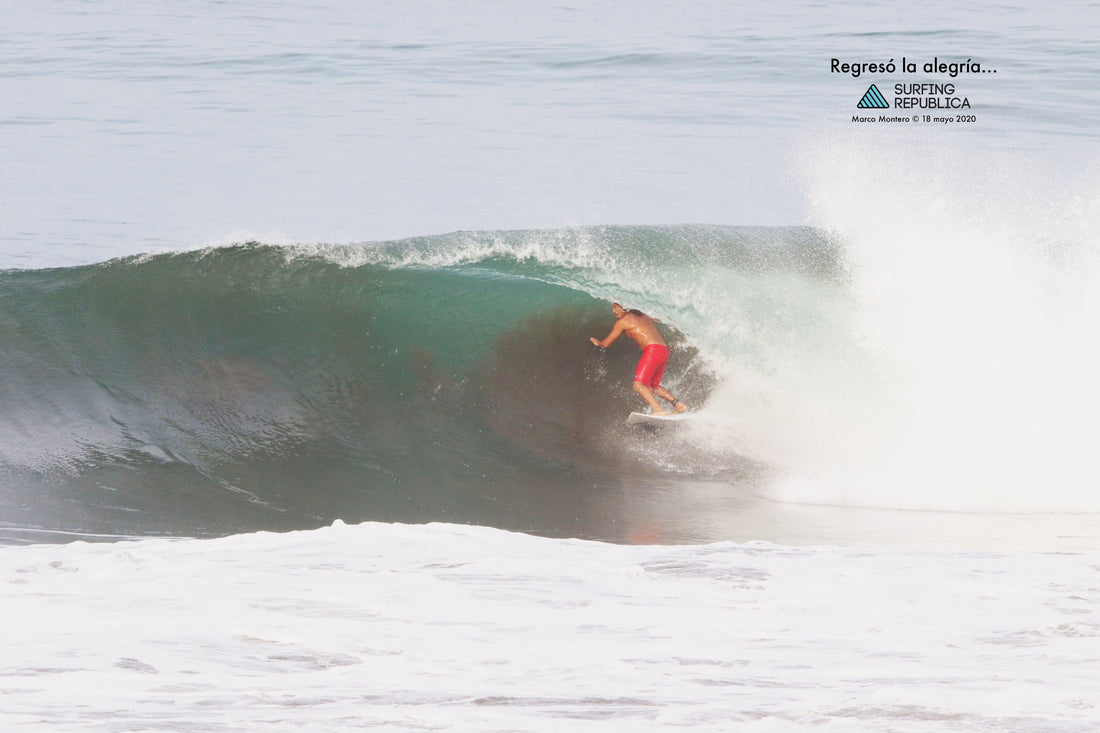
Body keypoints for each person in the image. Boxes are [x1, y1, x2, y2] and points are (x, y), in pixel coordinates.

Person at [590, 303, 688, 416]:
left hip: (653, 351)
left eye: (615, 307)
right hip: (664, 350)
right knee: (652, 387)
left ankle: (658, 410)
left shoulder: (622, 322)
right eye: (612, 308)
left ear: (624, 306)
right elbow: (658, 318)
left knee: (638, 385)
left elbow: (606, 343)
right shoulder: (643, 316)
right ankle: (678, 405)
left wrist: (599, 343)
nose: (613, 311)